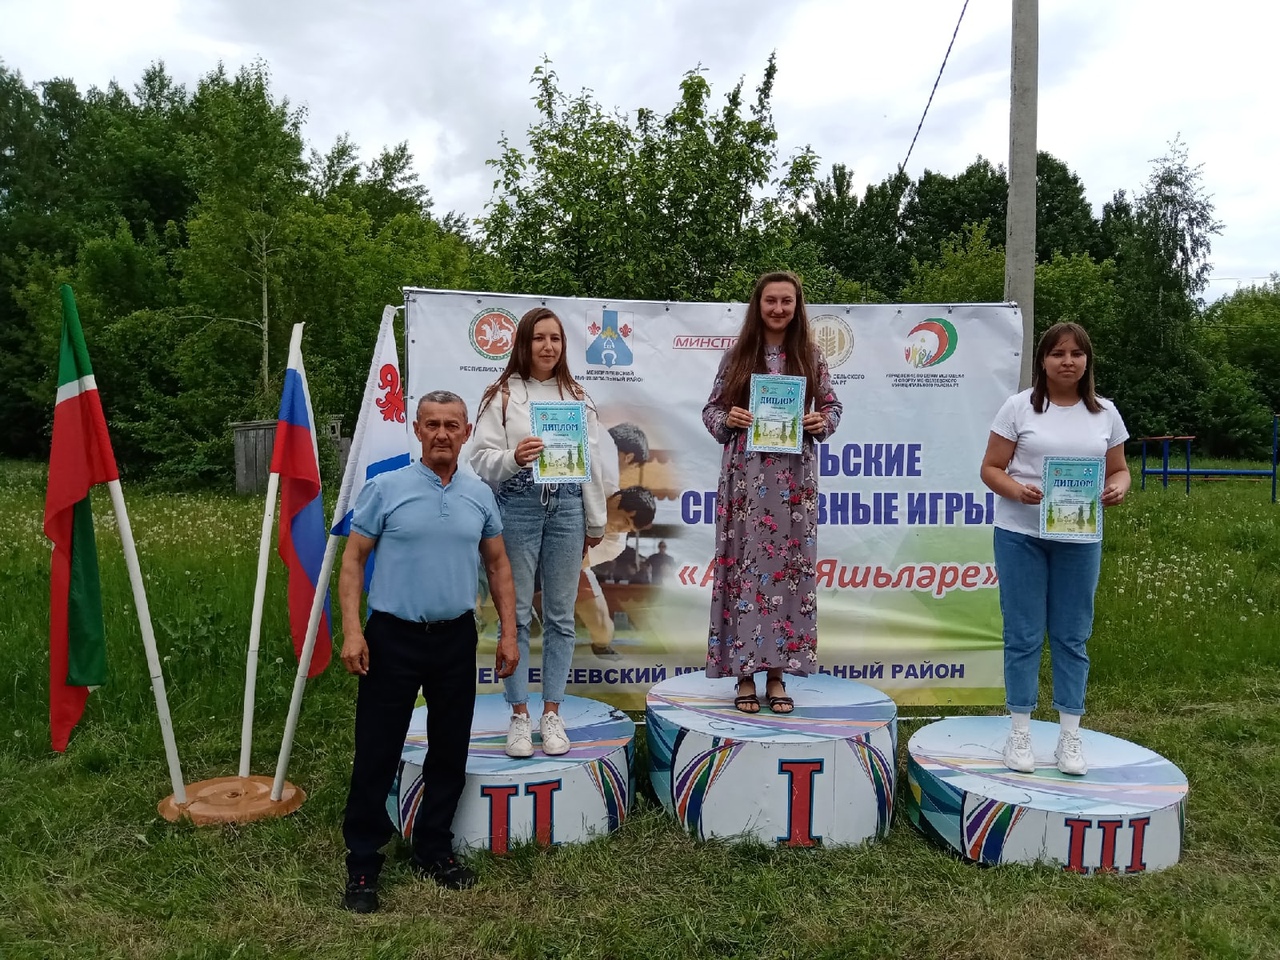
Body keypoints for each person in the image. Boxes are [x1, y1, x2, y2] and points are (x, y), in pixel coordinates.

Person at [338, 391, 518, 914]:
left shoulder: (479, 494)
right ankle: (364, 860)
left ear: (466, 433)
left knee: (449, 749)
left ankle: (434, 848)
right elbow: (353, 561)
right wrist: (352, 631)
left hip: (456, 638)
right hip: (391, 638)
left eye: (452, 425)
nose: (442, 433)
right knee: (377, 749)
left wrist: (508, 633)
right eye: (432, 424)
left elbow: (498, 565)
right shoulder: (385, 488)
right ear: (417, 430)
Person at [979, 322, 1130, 776]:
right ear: (1042, 360)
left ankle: (1070, 735)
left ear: (1087, 361)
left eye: (1076, 354)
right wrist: (1017, 490)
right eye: (1058, 353)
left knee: (1072, 636)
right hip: (1020, 535)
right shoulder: (1019, 407)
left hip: (1079, 540)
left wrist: (1118, 487)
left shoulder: (1106, 414)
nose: (1067, 361)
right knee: (1023, 635)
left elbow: (1119, 470)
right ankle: (1020, 731)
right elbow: (990, 468)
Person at [702, 271, 843, 714]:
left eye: (786, 301)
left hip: (793, 485)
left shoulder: (810, 356)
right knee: (743, 569)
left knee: (788, 574)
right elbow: (711, 410)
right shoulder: (737, 356)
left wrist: (822, 422)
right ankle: (744, 674)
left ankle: (778, 674)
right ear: (758, 305)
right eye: (770, 301)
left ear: (797, 307)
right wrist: (729, 419)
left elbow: (833, 406)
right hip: (744, 482)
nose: (778, 309)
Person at [470, 307, 607, 760]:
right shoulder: (501, 395)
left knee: (562, 617)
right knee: (515, 615)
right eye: (539, 338)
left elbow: (594, 463)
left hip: (568, 506)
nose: (548, 347)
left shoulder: (578, 396)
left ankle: (552, 713)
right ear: (524, 343)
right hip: (519, 505)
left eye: (556, 339)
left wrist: (595, 520)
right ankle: (518, 714)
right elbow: (479, 459)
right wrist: (514, 457)